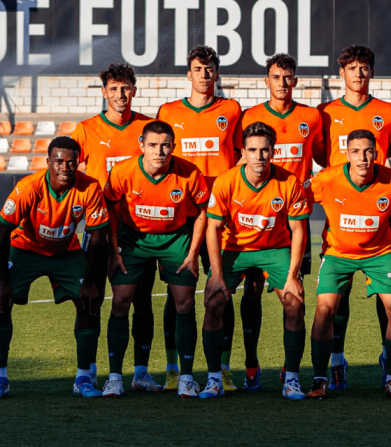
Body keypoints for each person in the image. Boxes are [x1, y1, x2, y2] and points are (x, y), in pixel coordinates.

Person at [0, 137, 109, 399]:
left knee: (88, 304)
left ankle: (84, 378)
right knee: (1, 302)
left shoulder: (90, 187)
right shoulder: (28, 187)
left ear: (78, 162)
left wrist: (89, 281)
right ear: (48, 162)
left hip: (66, 252)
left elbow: (97, 237)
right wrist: (3, 280)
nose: (65, 167)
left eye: (71, 162)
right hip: (25, 248)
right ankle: (0, 379)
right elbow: (1, 231)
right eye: (59, 161)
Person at [305, 129, 391, 400]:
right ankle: (320, 378)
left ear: (377, 154)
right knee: (324, 310)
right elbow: (296, 199)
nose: (363, 158)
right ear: (347, 154)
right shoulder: (326, 180)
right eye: (356, 151)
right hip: (337, 253)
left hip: (380, 253)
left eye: (368, 151)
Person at [233, 53, 325, 387]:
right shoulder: (250, 117)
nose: (282, 83)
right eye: (276, 76)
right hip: (256, 216)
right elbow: (239, 163)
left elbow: (324, 159)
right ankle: (251, 365)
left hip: (293, 218)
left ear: (296, 80)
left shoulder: (312, 117)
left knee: (294, 293)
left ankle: (293, 372)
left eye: (288, 77)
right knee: (252, 290)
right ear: (266, 81)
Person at [202, 122, 310, 400]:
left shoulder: (289, 182)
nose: (259, 157)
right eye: (253, 150)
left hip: (274, 249)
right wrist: (215, 275)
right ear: (243, 151)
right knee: (214, 301)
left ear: (273, 151)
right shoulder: (226, 181)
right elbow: (212, 229)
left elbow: (299, 230)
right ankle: (214, 378)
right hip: (235, 249)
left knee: (294, 302)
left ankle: (292, 379)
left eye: (264, 150)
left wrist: (293, 275)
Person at [102, 121, 210, 398]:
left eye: (165, 145)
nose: (159, 151)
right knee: (121, 301)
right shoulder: (123, 171)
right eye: (152, 145)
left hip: (175, 239)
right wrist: (113, 251)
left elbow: (202, 212)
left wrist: (193, 252)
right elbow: (112, 210)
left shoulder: (189, 173)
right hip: (133, 240)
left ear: (173, 146)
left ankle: (186, 377)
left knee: (185, 302)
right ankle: (115, 377)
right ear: (141, 145)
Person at [316, 45, 391, 390]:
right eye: (352, 68)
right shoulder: (325, 112)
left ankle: (389, 358)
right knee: (339, 294)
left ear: (372, 72)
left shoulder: (387, 111)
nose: (358, 74)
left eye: (364, 67)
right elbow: (322, 159)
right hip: (342, 204)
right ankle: (336, 360)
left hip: (378, 209)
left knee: (390, 296)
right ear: (342, 73)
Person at [157, 46, 242, 392]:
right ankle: (173, 367)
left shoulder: (232, 110)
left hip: (222, 214)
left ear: (217, 74)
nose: (204, 74)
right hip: (184, 214)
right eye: (197, 69)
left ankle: (222, 368)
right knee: (178, 292)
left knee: (222, 290)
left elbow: (239, 154)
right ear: (188, 75)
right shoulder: (168, 111)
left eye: (209, 69)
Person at [71, 62, 156, 390]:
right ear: (104, 91)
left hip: (137, 232)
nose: (120, 95)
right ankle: (87, 372)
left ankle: (141, 372)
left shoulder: (149, 128)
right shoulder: (86, 130)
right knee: (91, 299)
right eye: (113, 89)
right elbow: (64, 174)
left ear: (134, 90)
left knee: (141, 300)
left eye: (126, 88)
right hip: (97, 232)